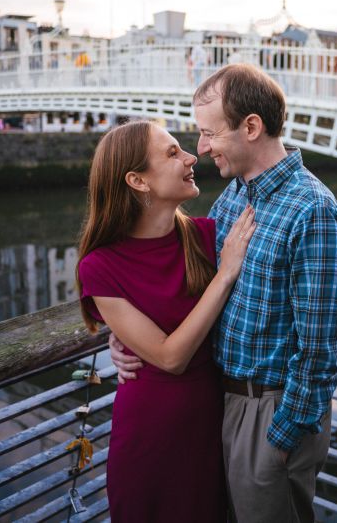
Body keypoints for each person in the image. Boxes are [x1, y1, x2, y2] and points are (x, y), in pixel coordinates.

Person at [111, 64, 337, 522]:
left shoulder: (312, 210)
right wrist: (122, 332)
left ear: (252, 127)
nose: (200, 149)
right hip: (220, 403)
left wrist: (283, 437)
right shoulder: (236, 195)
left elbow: (318, 348)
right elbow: (191, 284)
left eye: (208, 133)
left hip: (270, 409)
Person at [77, 120, 257, 523]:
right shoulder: (100, 266)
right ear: (138, 180)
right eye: (173, 153)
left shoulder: (208, 236)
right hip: (150, 437)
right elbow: (170, 357)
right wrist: (225, 274)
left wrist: (122, 335)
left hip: (213, 426)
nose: (192, 156)